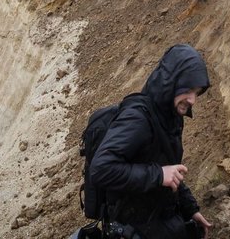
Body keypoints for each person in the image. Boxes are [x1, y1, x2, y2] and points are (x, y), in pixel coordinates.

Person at [89, 44, 212, 239]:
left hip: (160, 222)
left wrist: (190, 209)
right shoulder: (138, 119)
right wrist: (158, 175)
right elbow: (101, 168)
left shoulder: (170, 116)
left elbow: (168, 169)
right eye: (188, 89)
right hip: (135, 228)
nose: (192, 100)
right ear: (171, 82)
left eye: (196, 92)